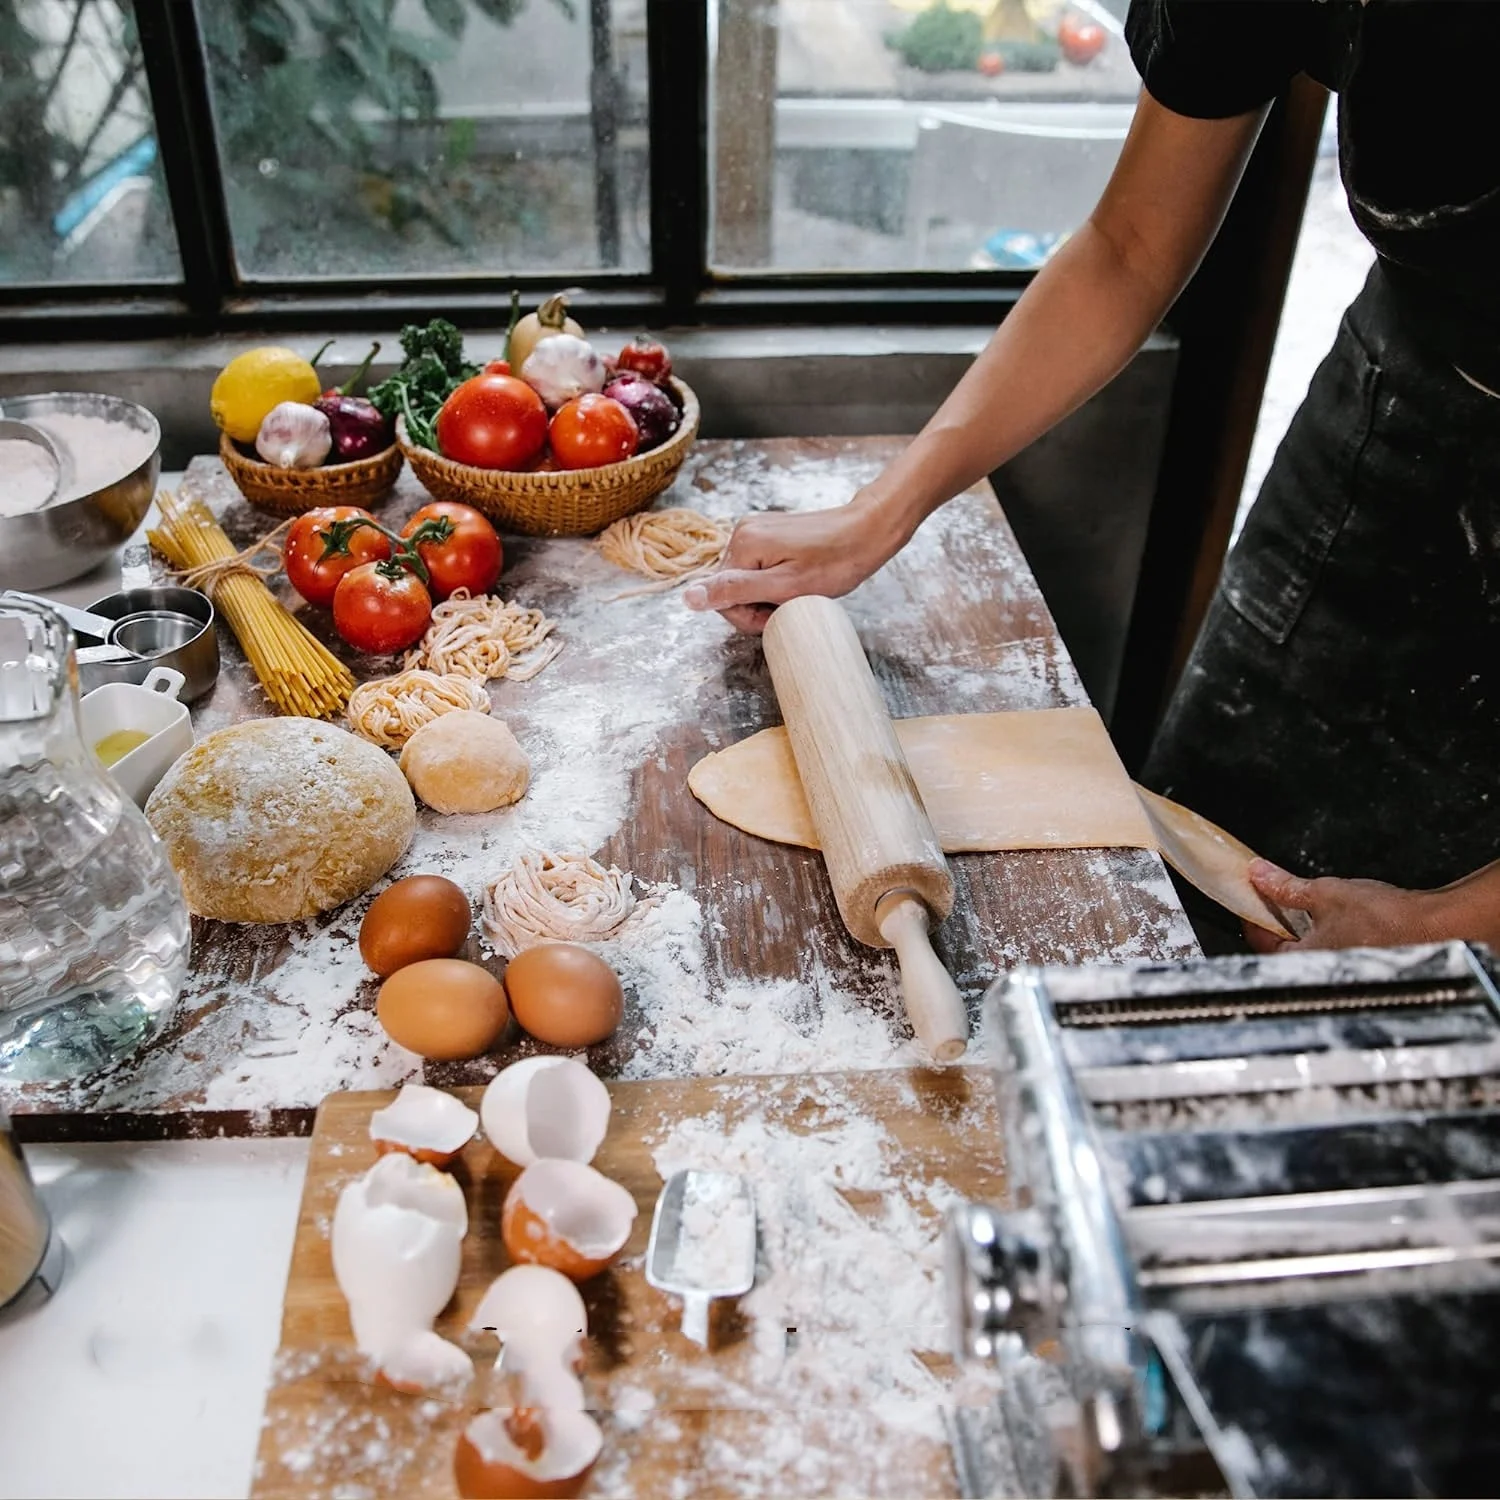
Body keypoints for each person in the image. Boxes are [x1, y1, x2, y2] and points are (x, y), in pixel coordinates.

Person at [685, 0, 1500, 955]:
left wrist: (1446, 927)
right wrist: (883, 508)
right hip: (1405, 398)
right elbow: (1130, 246)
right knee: (1205, 875)